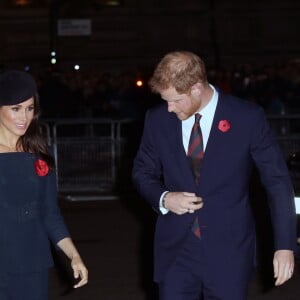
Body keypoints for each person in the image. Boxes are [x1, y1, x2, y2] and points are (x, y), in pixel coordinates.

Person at [132, 51, 297, 300]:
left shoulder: (246, 117)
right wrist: (165, 198)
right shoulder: (157, 119)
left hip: (229, 250)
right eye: (166, 100)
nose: (169, 107)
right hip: (176, 251)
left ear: (197, 88)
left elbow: (277, 181)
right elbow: (142, 172)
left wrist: (284, 245)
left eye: (175, 100)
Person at [0, 70, 88, 300]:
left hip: (32, 262)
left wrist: (73, 255)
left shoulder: (37, 154)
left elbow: (50, 213)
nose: (24, 117)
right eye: (16, 109)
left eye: (30, 108)